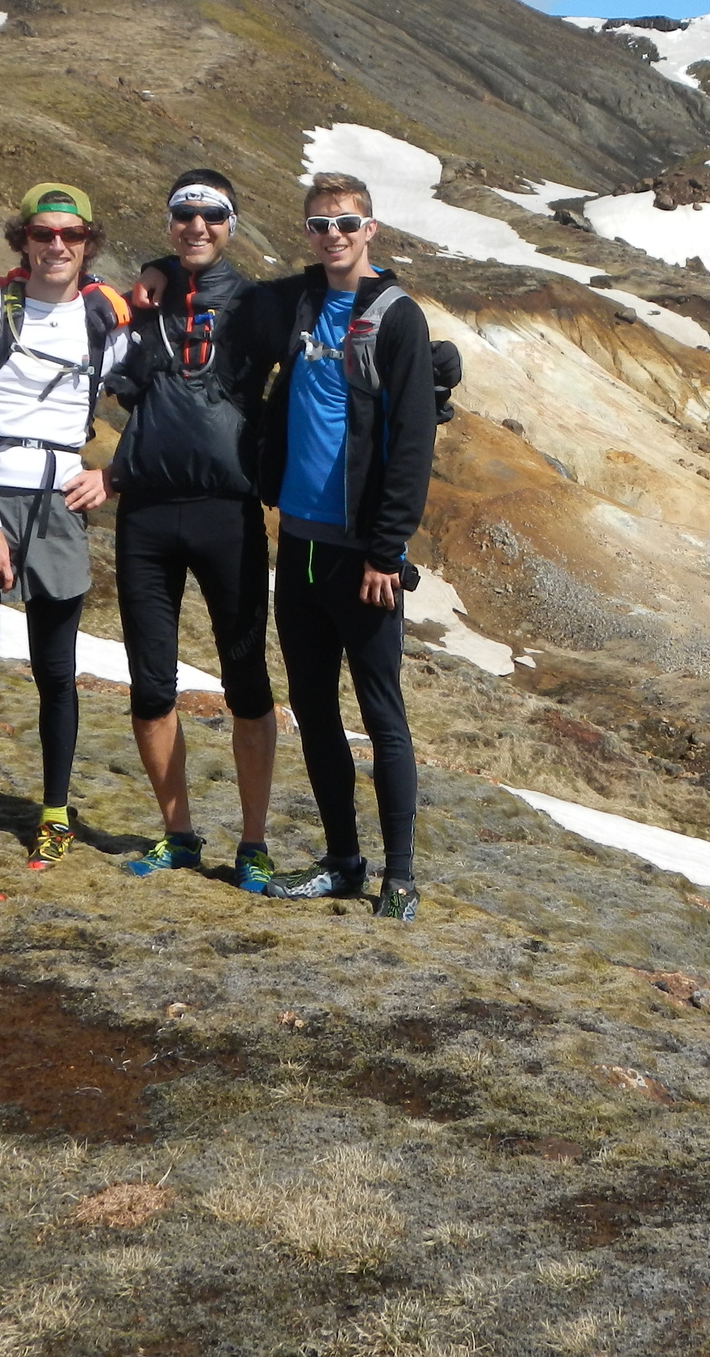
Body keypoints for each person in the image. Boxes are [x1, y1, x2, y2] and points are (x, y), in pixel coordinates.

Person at [0, 184, 129, 901]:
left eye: (71, 235)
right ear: (22, 240)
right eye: (43, 234)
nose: (56, 247)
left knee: (56, 670)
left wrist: (113, 473)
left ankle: (54, 813)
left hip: (59, 502)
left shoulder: (107, 319)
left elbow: (158, 395)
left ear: (89, 242)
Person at [257, 171, 438, 921]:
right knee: (311, 706)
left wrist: (385, 553)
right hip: (295, 545)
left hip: (359, 555)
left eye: (347, 223)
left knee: (380, 710)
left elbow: (412, 445)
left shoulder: (398, 319)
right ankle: (341, 859)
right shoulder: (296, 302)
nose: (333, 236)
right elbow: (216, 295)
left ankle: (399, 873)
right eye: (319, 225)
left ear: (371, 230)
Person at [108, 170, 286, 892]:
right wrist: (146, 274)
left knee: (247, 685)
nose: (198, 226)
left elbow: (336, 303)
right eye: (184, 214)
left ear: (231, 224)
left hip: (229, 515)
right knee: (151, 687)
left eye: (212, 215)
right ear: (170, 222)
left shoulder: (259, 305)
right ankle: (178, 835)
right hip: (146, 515)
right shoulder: (141, 304)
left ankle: (254, 842)